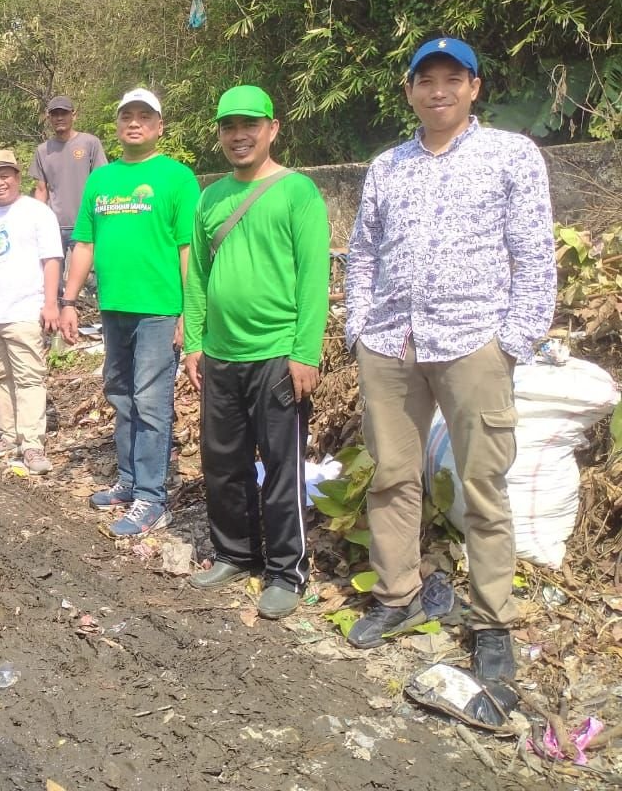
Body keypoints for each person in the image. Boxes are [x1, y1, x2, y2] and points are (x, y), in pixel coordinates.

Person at [344, 37, 556, 683]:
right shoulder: (388, 166)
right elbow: (362, 254)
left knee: (484, 487)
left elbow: (536, 256)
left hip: (473, 343)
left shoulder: (510, 156)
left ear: (474, 88)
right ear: (409, 91)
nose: (438, 90)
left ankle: (492, 622)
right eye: (424, 79)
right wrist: (358, 327)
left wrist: (513, 341)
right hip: (391, 344)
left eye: (451, 79)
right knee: (390, 476)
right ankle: (398, 598)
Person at [182, 85, 330, 620]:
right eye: (228, 127)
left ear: (272, 128)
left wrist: (304, 352)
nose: (238, 135)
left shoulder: (298, 193)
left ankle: (287, 571)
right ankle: (234, 553)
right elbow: (197, 275)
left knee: (281, 468)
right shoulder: (211, 197)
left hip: (276, 355)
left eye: (249, 125)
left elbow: (315, 278)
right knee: (223, 464)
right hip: (221, 355)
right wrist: (195, 342)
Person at [59, 88, 199, 537]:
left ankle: (153, 500)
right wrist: (67, 301)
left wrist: (189, 315)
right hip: (113, 307)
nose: (134, 123)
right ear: (117, 125)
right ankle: (130, 480)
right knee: (120, 394)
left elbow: (187, 250)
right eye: (126, 116)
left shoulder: (177, 178)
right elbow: (84, 243)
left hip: (159, 309)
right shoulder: (101, 180)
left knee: (152, 402)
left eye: (144, 116)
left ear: (158, 126)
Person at [0, 149, 63, 474]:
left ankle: (32, 444)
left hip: (24, 312)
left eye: (5, 175)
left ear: (18, 178)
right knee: (0, 378)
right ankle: (8, 436)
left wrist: (51, 304)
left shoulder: (37, 213)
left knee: (29, 379)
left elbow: (52, 260)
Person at [30, 96, 108, 255]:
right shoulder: (43, 150)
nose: (59, 118)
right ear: (49, 117)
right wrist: (38, 222)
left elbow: (101, 182)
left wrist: (101, 218)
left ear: (74, 115)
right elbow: (41, 189)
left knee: (90, 277)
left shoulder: (90, 143)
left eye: (64, 113)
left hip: (85, 224)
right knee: (52, 277)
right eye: (55, 114)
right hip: (54, 226)